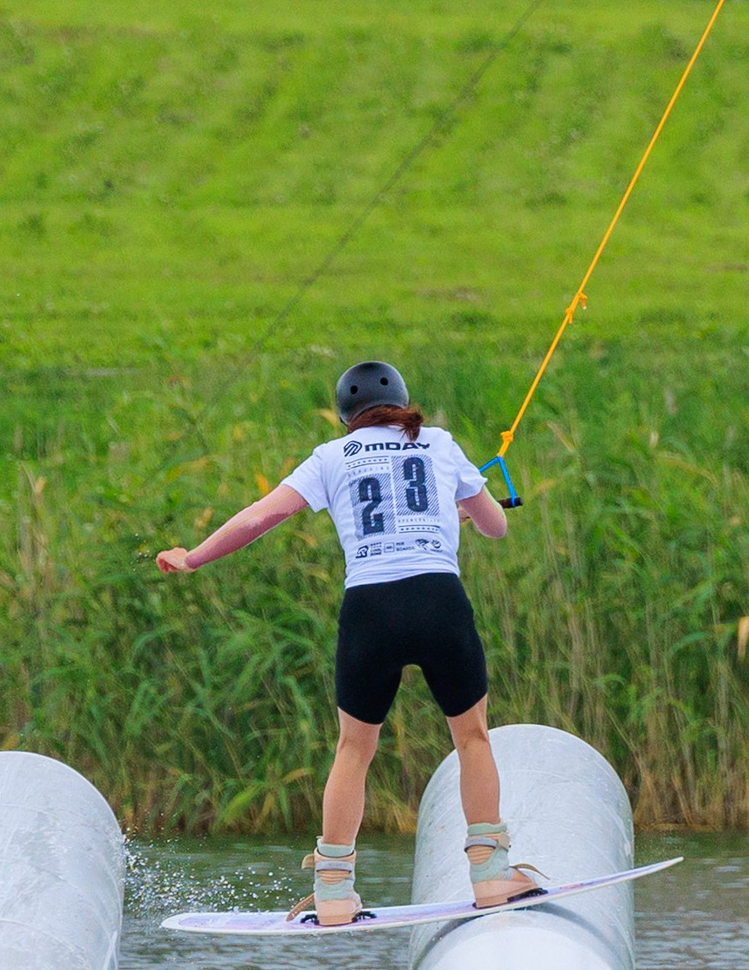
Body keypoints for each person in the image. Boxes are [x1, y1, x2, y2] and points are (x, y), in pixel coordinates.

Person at [155, 361, 540, 926]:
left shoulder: (330, 457)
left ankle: (334, 890)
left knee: (354, 750)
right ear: (402, 400)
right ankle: (490, 876)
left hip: (370, 610)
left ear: (345, 418)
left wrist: (193, 556)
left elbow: (262, 517)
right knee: (471, 736)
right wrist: (459, 510)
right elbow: (495, 527)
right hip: (438, 601)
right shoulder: (437, 443)